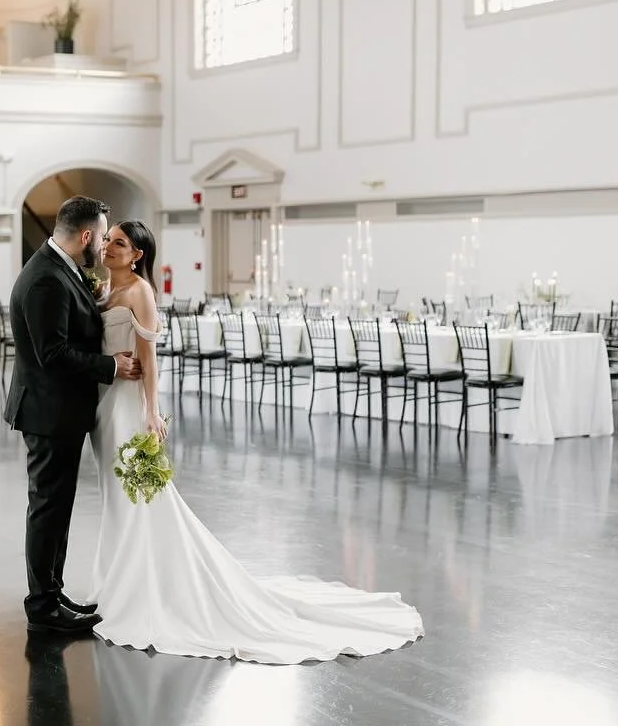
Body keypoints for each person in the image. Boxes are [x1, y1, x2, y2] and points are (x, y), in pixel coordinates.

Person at [85, 219, 424, 663]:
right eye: (108, 240)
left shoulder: (139, 294)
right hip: (104, 406)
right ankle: (119, 581)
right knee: (117, 496)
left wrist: (151, 412)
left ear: (137, 255)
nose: (109, 247)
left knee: (142, 498)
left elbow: (150, 360)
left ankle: (146, 588)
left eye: (120, 243)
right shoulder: (103, 291)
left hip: (128, 407)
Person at [6, 196, 140, 635]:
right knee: (48, 507)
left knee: (56, 507)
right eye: (102, 237)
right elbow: (52, 354)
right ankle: (42, 607)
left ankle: (51, 592)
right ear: (86, 235)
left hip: (54, 409)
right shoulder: (46, 278)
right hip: (49, 411)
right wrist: (110, 366)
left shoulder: (56, 268)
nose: (102, 246)